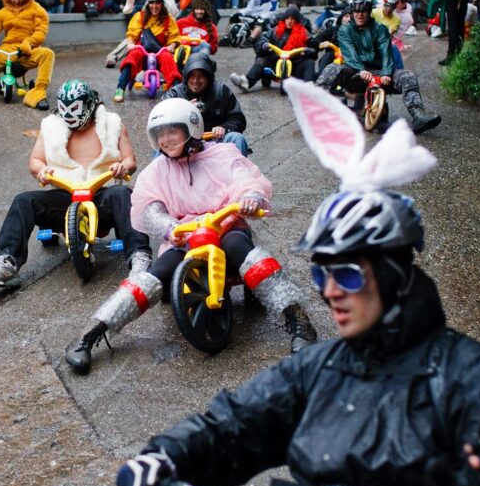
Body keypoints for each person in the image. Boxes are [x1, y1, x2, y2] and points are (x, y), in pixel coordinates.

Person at [115, 83, 480, 486]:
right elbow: (238, 423)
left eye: (350, 274)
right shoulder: (319, 367)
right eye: (321, 273)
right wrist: (166, 457)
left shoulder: (470, 375)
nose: (330, 291)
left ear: (396, 274)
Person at [63, 98, 317, 373]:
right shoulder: (157, 171)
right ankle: (93, 332)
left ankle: (297, 318)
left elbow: (246, 180)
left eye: (172, 131)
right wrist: (169, 226)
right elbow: (150, 207)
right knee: (154, 274)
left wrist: (250, 197)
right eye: (160, 134)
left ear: (192, 129)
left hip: (224, 226)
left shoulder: (223, 154)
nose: (166, 140)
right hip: (185, 237)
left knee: (240, 246)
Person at [0, 80, 152, 289]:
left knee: (122, 194)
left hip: (100, 191)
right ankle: (6, 261)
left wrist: (122, 167)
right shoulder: (51, 126)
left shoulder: (113, 124)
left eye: (76, 109)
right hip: (66, 194)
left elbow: (130, 160)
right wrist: (41, 171)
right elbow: (36, 160)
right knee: (23, 201)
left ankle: (139, 256)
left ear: (89, 105)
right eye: (65, 110)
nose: (70, 115)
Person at [316, 0, 440, 134]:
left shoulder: (380, 29)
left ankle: (418, 116)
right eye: (356, 11)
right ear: (352, 12)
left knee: (408, 76)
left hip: (380, 75)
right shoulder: (345, 30)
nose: (359, 14)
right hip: (354, 75)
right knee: (331, 69)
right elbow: (350, 53)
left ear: (369, 12)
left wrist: (387, 73)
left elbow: (387, 52)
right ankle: (314, 108)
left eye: (363, 11)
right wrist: (360, 70)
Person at [162, 53, 248, 156]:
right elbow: (161, 122)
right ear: (186, 76)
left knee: (237, 138)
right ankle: (158, 172)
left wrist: (224, 128)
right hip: (184, 146)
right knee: (161, 146)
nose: (195, 81)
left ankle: (238, 171)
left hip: (216, 142)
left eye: (200, 76)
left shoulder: (221, 91)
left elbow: (238, 119)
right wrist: (183, 111)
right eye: (192, 75)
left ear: (208, 77)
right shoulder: (175, 94)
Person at [112, 0, 182, 103]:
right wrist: (130, 44)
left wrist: (172, 46)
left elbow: (174, 36)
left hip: (160, 52)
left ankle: (177, 91)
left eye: (157, 3)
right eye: (152, 3)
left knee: (168, 58)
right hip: (142, 50)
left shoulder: (168, 19)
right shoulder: (140, 16)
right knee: (132, 56)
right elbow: (132, 33)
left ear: (161, 4)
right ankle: (120, 88)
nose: (154, 6)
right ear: (148, 4)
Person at [229, 5, 317, 93]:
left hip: (295, 63)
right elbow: (263, 38)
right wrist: (264, 45)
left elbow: (314, 46)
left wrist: (308, 50)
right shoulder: (276, 30)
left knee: (309, 62)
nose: (289, 21)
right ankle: (245, 82)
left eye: (292, 19)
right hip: (276, 61)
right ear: (284, 19)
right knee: (261, 60)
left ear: (296, 20)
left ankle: (308, 86)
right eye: (287, 18)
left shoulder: (304, 32)